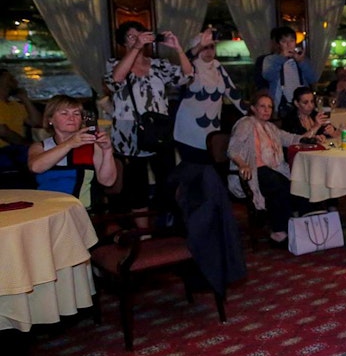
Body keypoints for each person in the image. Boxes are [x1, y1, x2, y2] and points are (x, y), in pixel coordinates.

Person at [105, 21, 193, 220]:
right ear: (123, 42)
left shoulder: (158, 65)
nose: (136, 39)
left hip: (158, 129)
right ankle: (142, 233)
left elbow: (187, 75)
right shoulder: (114, 64)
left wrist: (178, 48)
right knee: (137, 184)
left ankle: (167, 221)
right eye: (131, 36)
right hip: (129, 131)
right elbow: (115, 80)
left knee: (168, 178)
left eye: (139, 35)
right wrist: (136, 48)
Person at [227, 92, 305, 244]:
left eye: (269, 107)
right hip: (252, 171)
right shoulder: (246, 124)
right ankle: (278, 231)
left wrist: (314, 131)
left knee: (294, 181)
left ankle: (291, 225)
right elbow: (232, 150)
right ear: (253, 108)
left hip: (271, 170)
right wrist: (243, 164)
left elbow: (292, 139)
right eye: (262, 106)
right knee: (278, 184)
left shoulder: (271, 127)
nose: (266, 110)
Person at [28, 95, 117, 209]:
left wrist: (107, 150)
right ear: (50, 119)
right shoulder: (40, 147)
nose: (72, 118)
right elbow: (36, 167)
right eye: (64, 113)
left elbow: (108, 181)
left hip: (82, 212)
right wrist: (70, 143)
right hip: (46, 209)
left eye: (76, 114)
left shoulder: (92, 146)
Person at [174, 34, 246, 164]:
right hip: (189, 129)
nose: (209, 51)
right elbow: (179, 78)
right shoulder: (191, 67)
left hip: (211, 129)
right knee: (193, 167)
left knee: (209, 167)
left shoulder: (217, 66)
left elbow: (232, 91)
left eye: (211, 47)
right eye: (204, 47)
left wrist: (251, 112)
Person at [261, 26, 317, 120]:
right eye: (284, 41)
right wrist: (282, 58)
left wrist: (301, 62)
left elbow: (313, 78)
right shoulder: (271, 59)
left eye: (291, 41)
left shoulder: (303, 59)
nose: (288, 45)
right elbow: (268, 76)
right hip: (280, 105)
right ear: (279, 44)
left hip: (302, 106)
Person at [0, 68, 41, 174]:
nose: (15, 81)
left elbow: (36, 122)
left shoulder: (16, 106)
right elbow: (4, 132)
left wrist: (25, 99)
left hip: (16, 150)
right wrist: (28, 145)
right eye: (10, 78)